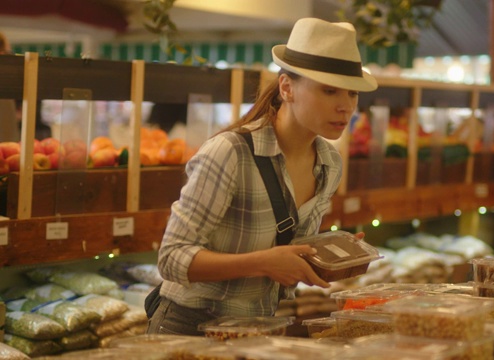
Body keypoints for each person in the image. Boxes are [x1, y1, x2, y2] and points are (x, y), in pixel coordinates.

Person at [147, 17, 378, 336]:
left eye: (352, 94)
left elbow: (285, 248)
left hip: (260, 329)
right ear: (287, 87)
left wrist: (328, 253)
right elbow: (171, 258)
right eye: (329, 91)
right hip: (191, 327)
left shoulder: (329, 163)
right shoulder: (231, 153)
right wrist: (264, 262)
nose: (346, 107)